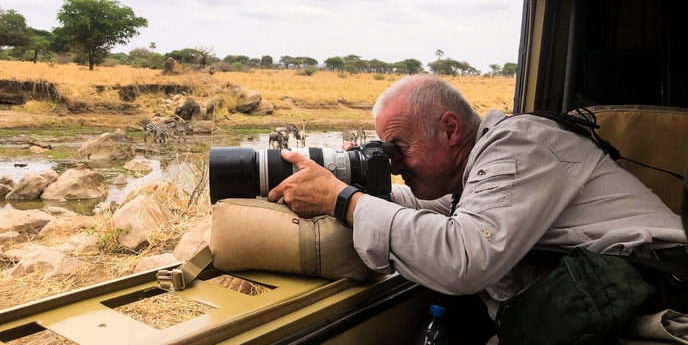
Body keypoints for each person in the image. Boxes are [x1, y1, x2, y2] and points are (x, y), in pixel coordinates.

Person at [267, 75, 686, 318]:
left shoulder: (520, 145)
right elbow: (429, 211)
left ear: (450, 130)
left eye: (399, 148)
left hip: (654, 312)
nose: (394, 164)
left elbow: (462, 258)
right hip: (603, 310)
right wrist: (337, 183)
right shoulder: (477, 171)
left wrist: (342, 201)